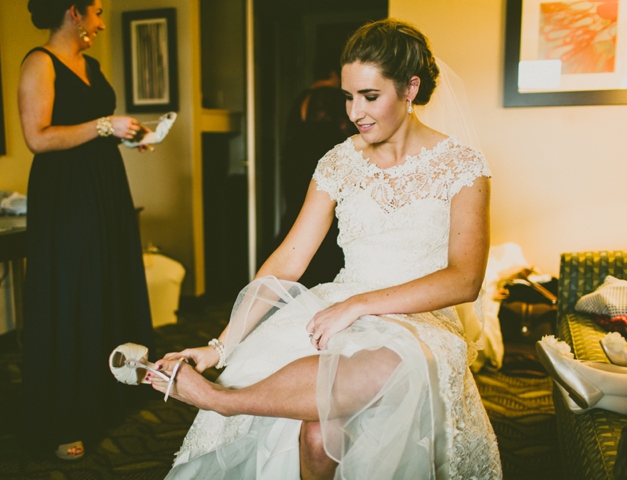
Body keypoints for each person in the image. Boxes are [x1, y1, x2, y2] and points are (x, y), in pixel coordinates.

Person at [147, 18, 501, 479]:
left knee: (388, 361)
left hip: (421, 322)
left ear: (410, 88)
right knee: (316, 438)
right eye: (349, 96)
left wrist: (357, 306)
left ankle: (223, 402)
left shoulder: (462, 166)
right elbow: (289, 259)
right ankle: (228, 392)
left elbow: (465, 278)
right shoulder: (337, 161)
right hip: (339, 308)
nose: (356, 111)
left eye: (370, 97)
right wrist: (220, 346)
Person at [19, 0, 154, 460]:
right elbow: (37, 137)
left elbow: (94, 129)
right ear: (73, 13)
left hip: (104, 185)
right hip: (66, 193)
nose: (101, 19)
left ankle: (109, 392)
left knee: (107, 281)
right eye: (96, 10)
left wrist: (125, 135)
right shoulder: (40, 63)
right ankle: (65, 416)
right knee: (73, 291)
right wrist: (103, 125)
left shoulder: (91, 64)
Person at [277, 51, 357, 287]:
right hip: (320, 168)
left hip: (296, 169)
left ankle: (298, 282)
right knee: (325, 228)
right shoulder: (328, 97)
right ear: (334, 73)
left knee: (299, 221)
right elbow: (346, 136)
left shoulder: (303, 97)